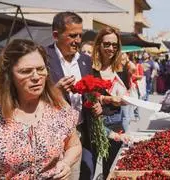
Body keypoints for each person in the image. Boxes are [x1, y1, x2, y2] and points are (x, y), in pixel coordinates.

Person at [0, 39, 81, 179]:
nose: (36, 77)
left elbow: (74, 146)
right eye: (26, 71)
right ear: (9, 75)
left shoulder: (59, 108)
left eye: (40, 69)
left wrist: (66, 163)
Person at [45, 11, 102, 180]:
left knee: (88, 173)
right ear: (56, 35)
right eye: (72, 35)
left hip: (83, 128)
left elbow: (90, 92)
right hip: (56, 135)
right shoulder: (43, 58)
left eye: (80, 35)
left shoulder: (85, 60)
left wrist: (95, 103)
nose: (78, 40)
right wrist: (57, 90)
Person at [91, 26, 130, 179]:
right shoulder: (89, 68)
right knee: (90, 168)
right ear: (99, 44)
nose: (111, 48)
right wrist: (107, 99)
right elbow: (86, 96)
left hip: (116, 121)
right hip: (95, 123)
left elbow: (126, 95)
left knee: (111, 170)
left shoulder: (121, 70)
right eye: (106, 44)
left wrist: (124, 100)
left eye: (114, 45)